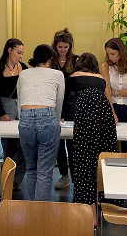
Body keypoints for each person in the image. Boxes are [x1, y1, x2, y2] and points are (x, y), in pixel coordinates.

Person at [67, 53, 117, 226]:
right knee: (104, 159)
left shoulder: (73, 77)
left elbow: (66, 100)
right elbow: (107, 96)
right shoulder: (100, 78)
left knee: (84, 161)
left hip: (86, 117)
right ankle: (108, 207)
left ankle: (89, 214)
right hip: (104, 116)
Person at [16, 44, 65, 201]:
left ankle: (33, 213)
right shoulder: (57, 74)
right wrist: (56, 122)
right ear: (50, 60)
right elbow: (59, 102)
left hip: (25, 118)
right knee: (44, 171)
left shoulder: (23, 74)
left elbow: (19, 101)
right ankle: (40, 216)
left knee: (31, 169)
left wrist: (23, 119)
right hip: (47, 117)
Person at [0, 38, 28, 191]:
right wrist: (2, 113)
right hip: (6, 107)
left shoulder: (23, 68)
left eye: (22, 53)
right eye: (18, 52)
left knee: (26, 144)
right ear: (9, 50)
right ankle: (8, 179)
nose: (20, 56)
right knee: (9, 146)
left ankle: (15, 177)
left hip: (22, 106)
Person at [102, 38, 127, 153]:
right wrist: (112, 111)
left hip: (126, 107)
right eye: (108, 54)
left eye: (113, 54)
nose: (111, 57)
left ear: (120, 52)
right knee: (109, 143)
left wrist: (114, 92)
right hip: (111, 106)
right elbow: (106, 90)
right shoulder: (105, 66)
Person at [51, 28, 77, 190]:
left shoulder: (75, 60)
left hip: (72, 104)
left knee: (73, 142)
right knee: (59, 143)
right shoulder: (51, 60)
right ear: (55, 46)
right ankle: (63, 175)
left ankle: (76, 176)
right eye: (60, 47)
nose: (62, 50)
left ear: (70, 46)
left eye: (65, 47)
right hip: (55, 102)